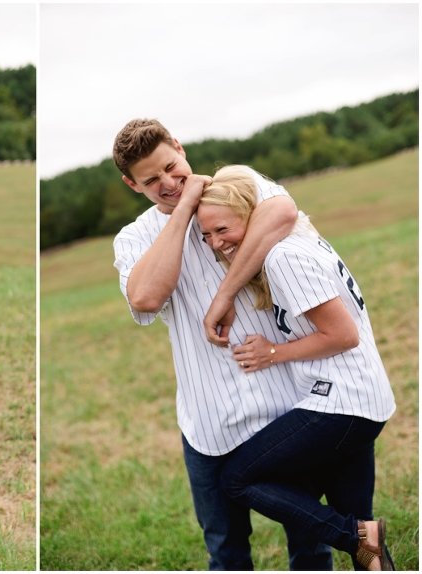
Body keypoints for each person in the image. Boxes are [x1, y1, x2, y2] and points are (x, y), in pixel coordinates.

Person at [112, 118, 334, 569]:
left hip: (287, 404)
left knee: (311, 544)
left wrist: (225, 292)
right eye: (152, 181)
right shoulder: (133, 238)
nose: (168, 183)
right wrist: (185, 204)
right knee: (226, 551)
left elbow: (284, 212)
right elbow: (146, 297)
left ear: (179, 145)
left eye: (173, 168)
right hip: (208, 420)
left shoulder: (238, 185)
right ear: (132, 185)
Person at [195, 165, 396, 570]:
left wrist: (273, 352)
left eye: (224, 229)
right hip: (363, 399)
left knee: (238, 478)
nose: (217, 243)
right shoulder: (301, 237)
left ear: (252, 215)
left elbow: (343, 335)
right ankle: (362, 541)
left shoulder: (284, 256)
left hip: (344, 402)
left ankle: (350, 536)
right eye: (207, 236)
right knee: (362, 530)